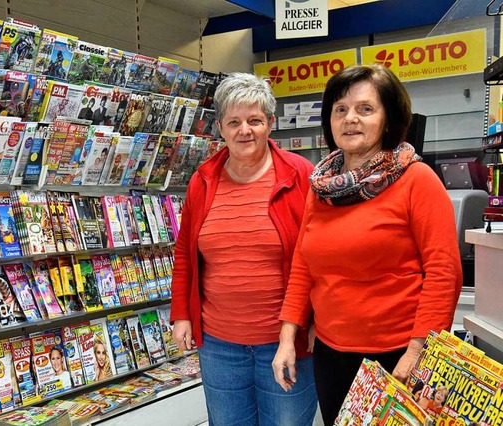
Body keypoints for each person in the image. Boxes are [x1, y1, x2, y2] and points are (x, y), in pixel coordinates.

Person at [271, 64, 462, 425]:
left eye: (365, 109)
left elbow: (443, 273)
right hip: (330, 354)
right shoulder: (323, 187)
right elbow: (303, 267)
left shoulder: (417, 179)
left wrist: (419, 350)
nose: (350, 119)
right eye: (340, 109)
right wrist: (287, 337)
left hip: (398, 356)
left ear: (389, 119)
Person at [170, 72, 318, 426]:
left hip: (286, 341)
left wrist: (316, 321)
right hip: (219, 346)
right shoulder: (202, 180)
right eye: (234, 122)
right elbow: (185, 253)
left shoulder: (302, 176)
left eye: (255, 120)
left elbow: (319, 258)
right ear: (220, 127)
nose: (244, 131)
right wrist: (181, 314)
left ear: (271, 122)